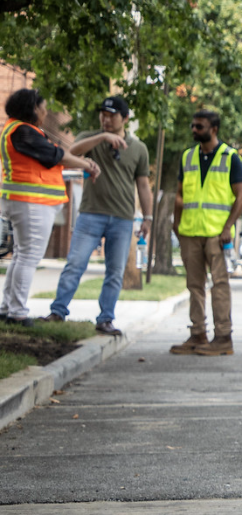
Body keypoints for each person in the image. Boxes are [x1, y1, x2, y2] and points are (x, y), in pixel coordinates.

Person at [44, 96, 152, 336]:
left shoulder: (139, 149)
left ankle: (105, 319)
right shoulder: (89, 138)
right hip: (90, 215)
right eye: (103, 114)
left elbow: (143, 185)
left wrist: (148, 218)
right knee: (75, 264)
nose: (105, 118)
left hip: (122, 219)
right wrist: (103, 137)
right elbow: (71, 151)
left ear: (125, 118)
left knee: (114, 272)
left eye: (112, 115)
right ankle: (57, 312)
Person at [0, 89, 101, 326]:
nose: (45, 113)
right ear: (33, 109)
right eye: (43, 108)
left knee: (21, 257)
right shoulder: (22, 131)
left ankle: (8, 308)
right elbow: (55, 155)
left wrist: (80, 167)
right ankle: (18, 313)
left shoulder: (17, 130)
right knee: (28, 257)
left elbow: (47, 164)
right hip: (31, 203)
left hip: (26, 201)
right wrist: (86, 162)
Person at [171, 110, 242, 356]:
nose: (194, 130)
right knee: (194, 285)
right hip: (190, 232)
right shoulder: (187, 157)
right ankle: (197, 334)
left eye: (199, 126)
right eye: (193, 126)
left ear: (213, 129)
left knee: (219, 284)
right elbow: (180, 194)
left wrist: (227, 227)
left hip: (217, 234)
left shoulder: (230, 157)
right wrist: (176, 222)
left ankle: (223, 337)